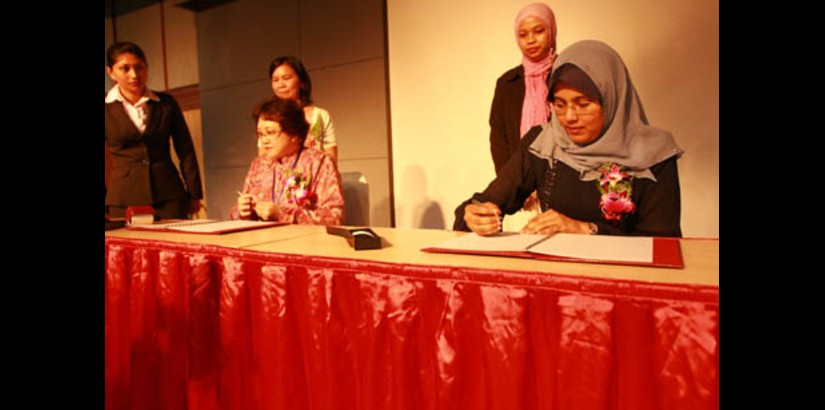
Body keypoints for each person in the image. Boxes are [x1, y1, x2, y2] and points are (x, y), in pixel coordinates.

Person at [454, 40, 683, 237]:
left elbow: (662, 243)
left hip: (623, 282)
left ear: (612, 98)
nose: (569, 117)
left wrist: (585, 230)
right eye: (560, 105)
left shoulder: (653, 155)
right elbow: (491, 199)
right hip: (557, 279)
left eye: (583, 104)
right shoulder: (544, 143)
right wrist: (478, 213)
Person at [105, 41, 203, 220]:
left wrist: (194, 192)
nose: (134, 75)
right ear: (110, 72)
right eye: (124, 68)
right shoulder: (106, 107)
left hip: (169, 195)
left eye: (139, 67)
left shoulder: (166, 103)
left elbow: (185, 149)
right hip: (125, 198)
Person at [231, 97, 344, 225]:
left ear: (294, 134)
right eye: (260, 134)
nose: (264, 140)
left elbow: (334, 218)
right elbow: (235, 214)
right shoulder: (259, 164)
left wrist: (282, 215)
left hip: (302, 242)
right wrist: (243, 211)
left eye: (271, 132)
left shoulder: (319, 162)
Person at [489, 2, 558, 174]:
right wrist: (508, 181)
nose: (531, 40)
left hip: (561, 177)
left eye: (539, 31)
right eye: (523, 34)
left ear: (552, 30)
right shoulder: (507, 83)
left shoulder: (566, 74)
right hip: (519, 178)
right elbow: (499, 138)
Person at [264, 55, 339, 162]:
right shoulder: (268, 118)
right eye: (275, 80)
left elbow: (331, 161)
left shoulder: (320, 115)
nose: (280, 85)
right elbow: (263, 160)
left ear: (301, 80)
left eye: (286, 78)